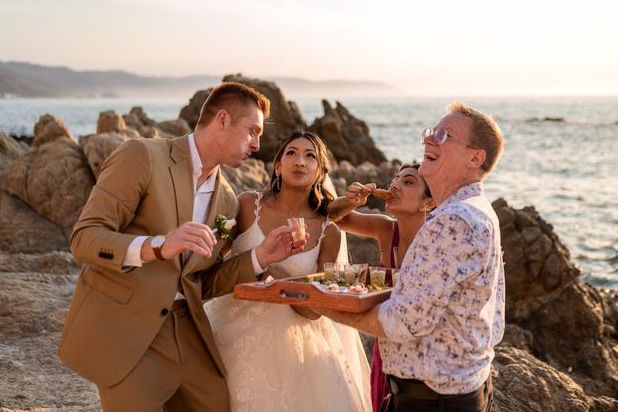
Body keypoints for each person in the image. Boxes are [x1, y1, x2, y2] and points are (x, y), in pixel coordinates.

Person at [58, 82, 308, 412]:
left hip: (189, 331)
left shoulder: (227, 201)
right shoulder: (142, 156)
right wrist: (158, 246)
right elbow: (86, 238)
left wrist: (261, 257)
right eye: (252, 131)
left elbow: (202, 282)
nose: (257, 144)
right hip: (130, 331)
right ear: (222, 120)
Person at [314, 102, 505, 412]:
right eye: (430, 132)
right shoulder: (477, 211)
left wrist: (315, 303)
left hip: (435, 401)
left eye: (445, 135)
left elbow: (403, 322)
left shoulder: (452, 221)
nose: (429, 139)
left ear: (475, 157)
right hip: (456, 390)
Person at [205, 130, 372, 411]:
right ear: (278, 166)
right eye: (291, 153)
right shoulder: (247, 205)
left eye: (310, 156)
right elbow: (211, 266)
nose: (300, 161)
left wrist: (281, 279)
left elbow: (314, 311)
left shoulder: (328, 233)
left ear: (320, 172)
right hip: (227, 331)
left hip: (293, 350)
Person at [328, 163, 434, 412]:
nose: (395, 184)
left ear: (428, 202)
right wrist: (353, 200)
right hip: (385, 347)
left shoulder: (435, 241)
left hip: (422, 358)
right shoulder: (386, 229)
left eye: (408, 182)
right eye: (396, 179)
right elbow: (335, 218)